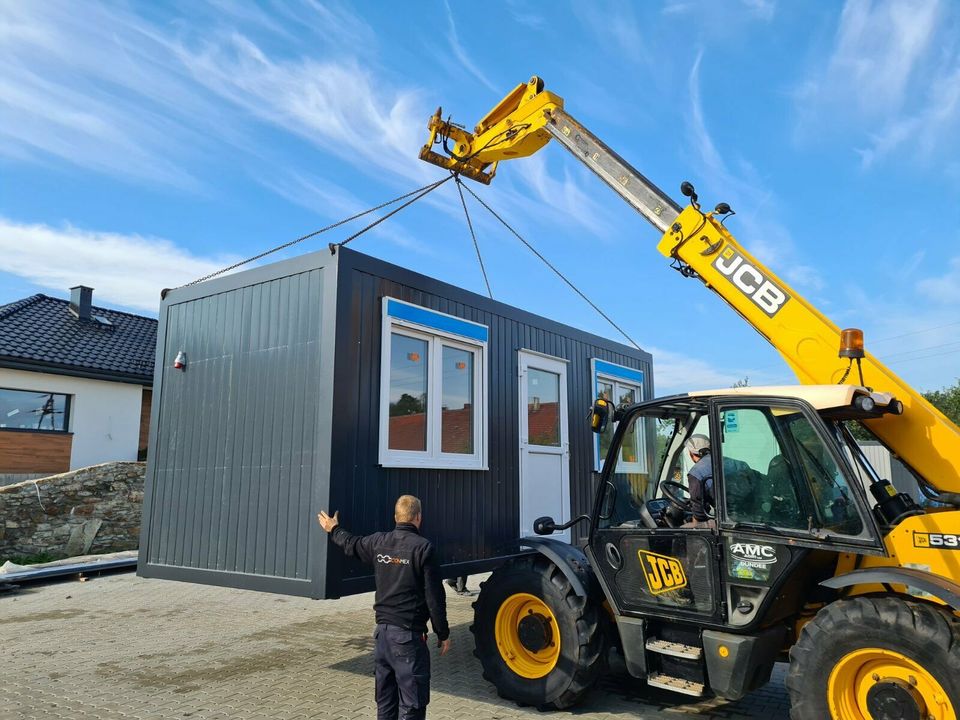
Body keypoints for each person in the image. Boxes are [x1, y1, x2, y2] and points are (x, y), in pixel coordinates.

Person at [317, 495, 450, 720]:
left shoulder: (379, 542)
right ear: (418, 517)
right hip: (408, 640)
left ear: (396, 517)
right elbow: (434, 597)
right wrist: (443, 633)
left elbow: (352, 544)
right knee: (412, 705)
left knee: (385, 703)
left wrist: (334, 528)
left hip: (382, 638)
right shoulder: (423, 548)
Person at [683, 433, 715, 527]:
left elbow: (699, 512)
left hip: (729, 521)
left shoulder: (696, 473)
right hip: (750, 516)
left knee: (682, 530)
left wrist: (695, 524)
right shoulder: (728, 461)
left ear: (691, 453)